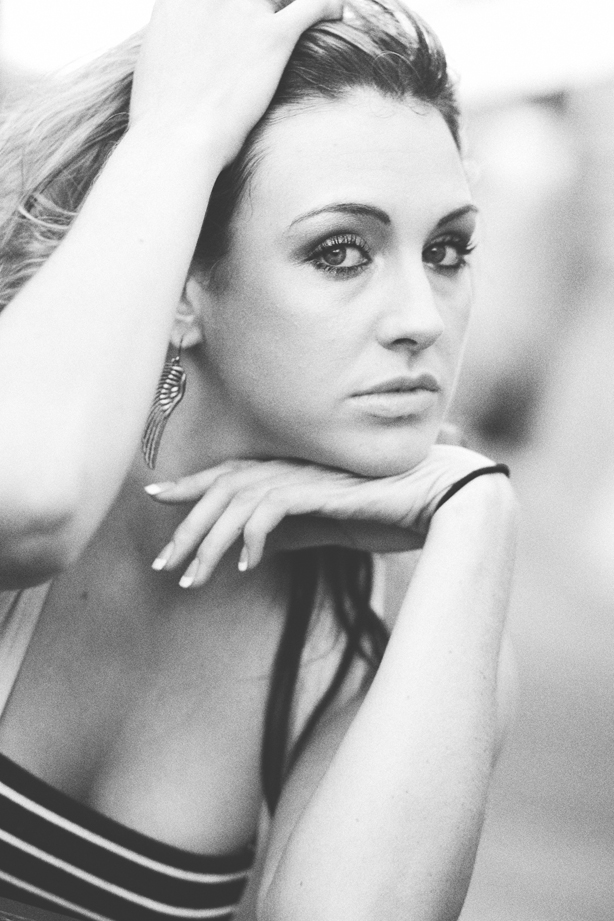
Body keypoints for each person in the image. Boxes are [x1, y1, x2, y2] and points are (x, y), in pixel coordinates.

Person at [0, 0, 518, 918]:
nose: (422, 319)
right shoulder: (30, 449)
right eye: (341, 250)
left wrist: (479, 510)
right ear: (183, 285)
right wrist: (177, 132)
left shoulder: (404, 618)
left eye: (447, 249)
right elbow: (28, 500)